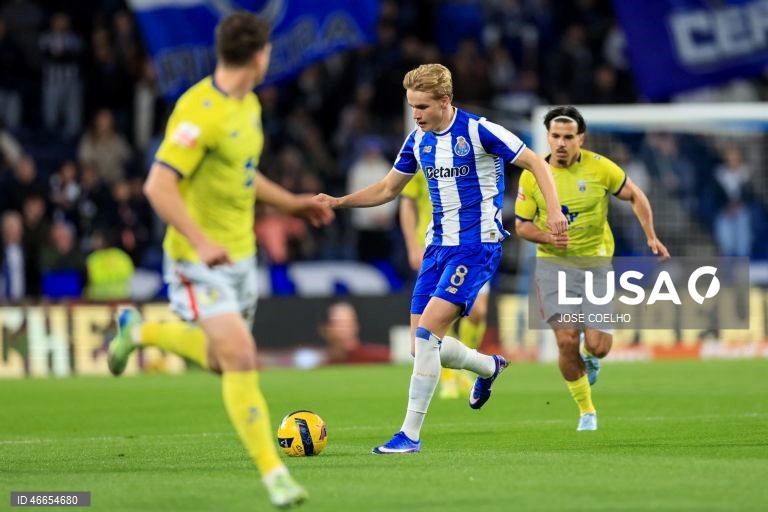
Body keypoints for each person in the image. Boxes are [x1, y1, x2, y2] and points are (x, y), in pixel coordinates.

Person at [105, 12, 333, 508]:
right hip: (195, 260)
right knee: (241, 356)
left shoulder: (247, 106)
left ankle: (138, 332)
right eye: (269, 50)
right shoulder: (197, 112)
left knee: (219, 361)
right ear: (259, 56)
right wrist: (200, 241)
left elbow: (244, 177)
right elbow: (158, 185)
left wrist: (294, 203)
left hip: (240, 258)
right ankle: (275, 477)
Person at [316, 63, 567, 454]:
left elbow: (536, 162)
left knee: (427, 332)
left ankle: (409, 435)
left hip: (476, 245)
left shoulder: (480, 131)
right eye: (411, 105)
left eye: (421, 106)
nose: (415, 114)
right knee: (423, 347)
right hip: (437, 248)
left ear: (445, 101)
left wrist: (552, 211)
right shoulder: (418, 139)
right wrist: (338, 202)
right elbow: (387, 189)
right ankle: (488, 367)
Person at [515, 105, 670, 432]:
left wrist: (652, 237)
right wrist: (547, 237)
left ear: (580, 139)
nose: (560, 143)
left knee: (598, 345)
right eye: (555, 136)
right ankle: (586, 410)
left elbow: (636, 195)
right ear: (547, 138)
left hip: (596, 263)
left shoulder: (601, 168)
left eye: (567, 137)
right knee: (566, 340)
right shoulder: (533, 175)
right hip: (552, 265)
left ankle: (593, 357)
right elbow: (522, 225)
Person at [399, 169, 485, 399]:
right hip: (433, 247)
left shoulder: (467, 151)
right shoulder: (421, 158)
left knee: (478, 312)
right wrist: (412, 246)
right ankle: (449, 377)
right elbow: (406, 204)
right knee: (438, 318)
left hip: (472, 243)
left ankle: (467, 367)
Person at [319, 301, 390, 364]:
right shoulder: (321, 364)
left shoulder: (381, 358)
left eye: (350, 324)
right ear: (325, 330)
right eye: (339, 325)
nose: (346, 330)